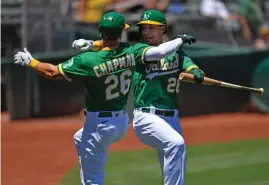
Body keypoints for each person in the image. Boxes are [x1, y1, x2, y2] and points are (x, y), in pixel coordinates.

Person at [14, 11, 196, 185]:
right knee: (79, 138)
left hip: (99, 126)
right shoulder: (130, 51)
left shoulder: (87, 60)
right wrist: (180, 39)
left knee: (92, 181)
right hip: (121, 123)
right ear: (121, 33)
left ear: (101, 32)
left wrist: (31, 62)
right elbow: (158, 51)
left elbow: (52, 72)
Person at [73, 9, 204, 185]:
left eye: (151, 28)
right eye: (144, 28)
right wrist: (91, 44)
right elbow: (113, 45)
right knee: (176, 144)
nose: (146, 32)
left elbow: (192, 68)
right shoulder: (137, 51)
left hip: (172, 116)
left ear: (163, 29)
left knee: (172, 157)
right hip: (147, 116)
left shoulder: (178, 54)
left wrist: (196, 72)